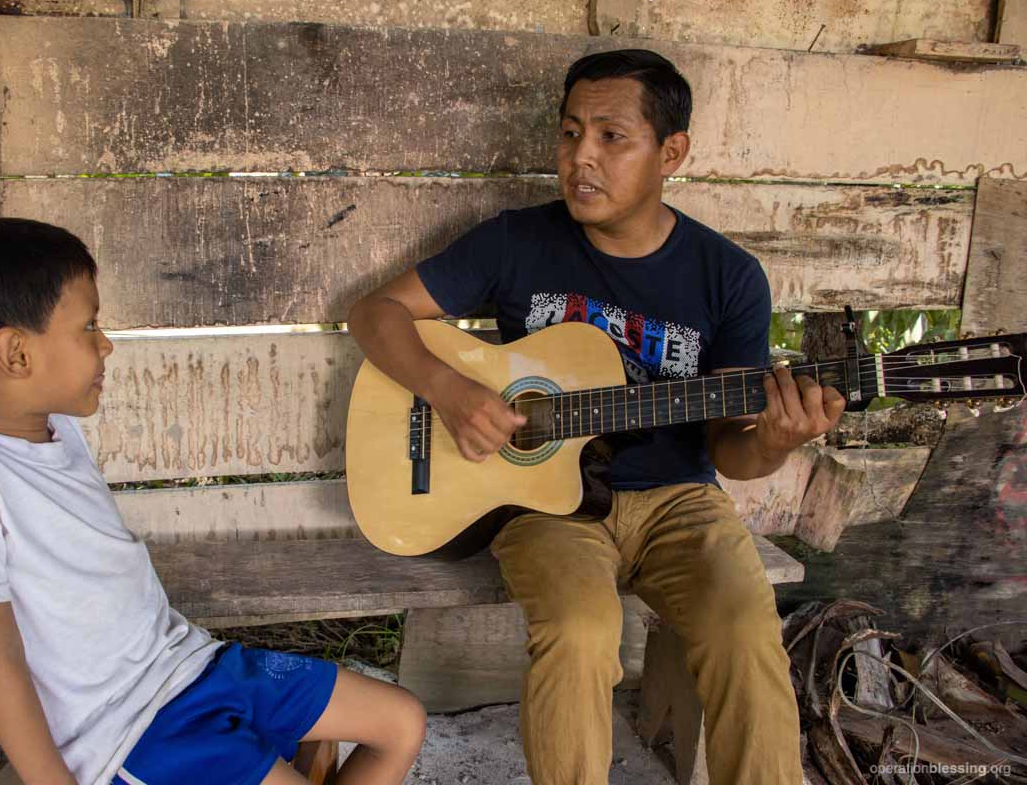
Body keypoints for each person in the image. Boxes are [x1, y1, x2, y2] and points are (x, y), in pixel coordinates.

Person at [347, 49, 845, 784]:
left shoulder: (728, 275)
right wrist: (451, 392)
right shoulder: (518, 240)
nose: (582, 157)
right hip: (550, 507)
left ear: (671, 151)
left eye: (612, 137)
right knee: (581, 633)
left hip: (681, 502)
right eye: (570, 132)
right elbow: (374, 312)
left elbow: (734, 452)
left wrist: (773, 441)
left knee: (745, 631)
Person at [0, 217, 426, 785]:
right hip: (131, 730)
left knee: (402, 721)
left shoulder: (59, 433)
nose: (107, 344)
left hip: (191, 667)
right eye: (88, 326)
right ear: (16, 353)